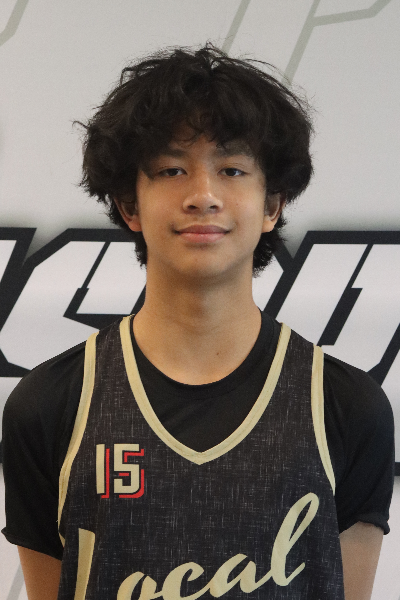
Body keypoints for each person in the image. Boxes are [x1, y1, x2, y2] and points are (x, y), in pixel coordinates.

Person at [2, 44, 394, 600]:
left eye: (232, 170)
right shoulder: (49, 404)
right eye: (172, 170)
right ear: (129, 205)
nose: (203, 196)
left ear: (272, 204)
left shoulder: (347, 406)